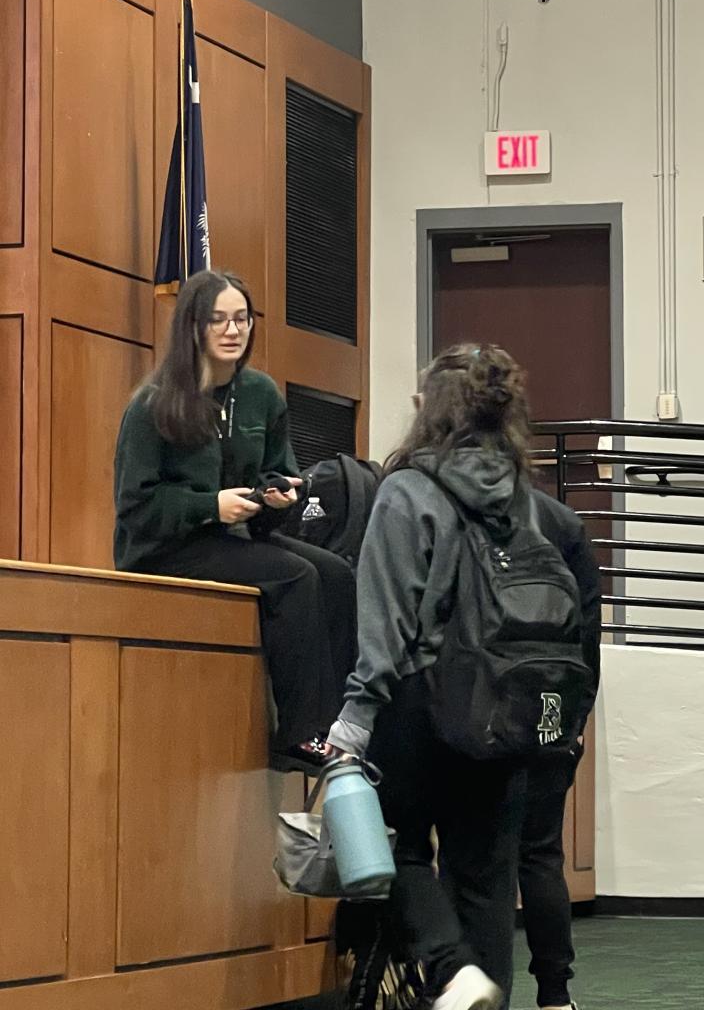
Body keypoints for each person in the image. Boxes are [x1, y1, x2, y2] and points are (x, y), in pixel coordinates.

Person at [324, 343, 598, 1010]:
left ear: (428, 410)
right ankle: (479, 983)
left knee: (394, 851)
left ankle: (451, 969)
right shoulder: (524, 502)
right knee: (485, 885)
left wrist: (355, 719)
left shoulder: (406, 492)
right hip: (505, 709)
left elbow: (386, 621)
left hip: (422, 704)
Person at [113, 268, 356, 771]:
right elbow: (136, 507)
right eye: (219, 320)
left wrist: (278, 497)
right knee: (295, 576)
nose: (233, 330)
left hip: (234, 537)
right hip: (165, 549)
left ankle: (335, 725)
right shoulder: (154, 405)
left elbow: (277, 470)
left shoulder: (261, 395)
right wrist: (210, 506)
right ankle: (299, 734)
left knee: (336, 573)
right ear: (194, 327)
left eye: (242, 319)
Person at [514, 491, 600, 1010]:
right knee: (541, 853)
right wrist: (578, 716)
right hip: (552, 703)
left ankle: (471, 985)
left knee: (474, 860)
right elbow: (588, 629)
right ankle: (555, 995)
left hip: (477, 706)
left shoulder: (452, 507)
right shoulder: (563, 522)